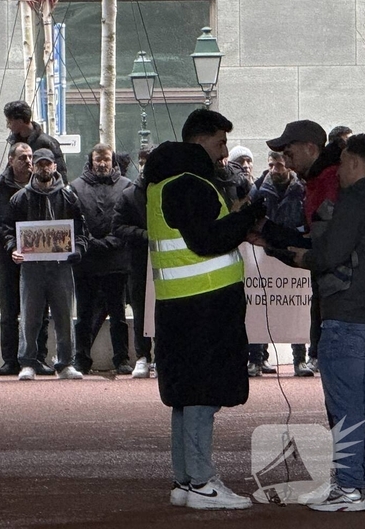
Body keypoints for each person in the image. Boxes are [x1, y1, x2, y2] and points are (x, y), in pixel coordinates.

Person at [145, 109, 264, 510]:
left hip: (180, 304)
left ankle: (185, 481)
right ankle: (201, 481)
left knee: (185, 394)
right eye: (220, 142)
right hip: (204, 306)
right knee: (200, 392)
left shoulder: (164, 181)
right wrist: (247, 216)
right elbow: (207, 240)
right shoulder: (189, 182)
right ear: (199, 141)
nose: (225, 151)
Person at [285, 134, 365, 512]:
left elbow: (331, 253)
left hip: (344, 315)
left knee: (346, 408)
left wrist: (304, 256)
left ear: (353, 163)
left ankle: (347, 487)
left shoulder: (354, 201)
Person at [263, 120, 342, 373]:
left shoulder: (328, 181)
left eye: (289, 153)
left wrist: (270, 236)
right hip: (335, 295)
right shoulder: (318, 180)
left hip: (340, 300)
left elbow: (325, 246)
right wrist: (269, 238)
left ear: (310, 148)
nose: (286, 161)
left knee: (347, 396)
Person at [6, 148, 87, 381]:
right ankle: (28, 362)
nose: (44, 168)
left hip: (61, 265)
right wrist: (13, 248)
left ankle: (65, 363)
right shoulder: (20, 198)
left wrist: (78, 250)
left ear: (54, 166)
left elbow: (81, 232)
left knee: (64, 315)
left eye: (47, 164)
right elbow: (9, 230)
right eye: (40, 164)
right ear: (35, 167)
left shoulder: (69, 197)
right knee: (30, 316)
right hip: (31, 266)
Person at [0, 143, 51, 376]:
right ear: (11, 160)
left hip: (39, 255)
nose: (28, 161)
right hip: (9, 255)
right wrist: (2, 234)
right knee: (9, 309)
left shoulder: (40, 183)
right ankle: (10, 360)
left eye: (30, 157)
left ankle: (38, 357)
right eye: (22, 157)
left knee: (40, 308)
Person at [248, 151, 314, 377]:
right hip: (265, 253)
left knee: (297, 309)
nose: (276, 170)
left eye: (280, 165)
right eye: (272, 165)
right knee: (260, 306)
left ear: (288, 166)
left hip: (293, 252)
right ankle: (255, 359)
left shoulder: (301, 189)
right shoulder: (258, 189)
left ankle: (300, 360)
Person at [70, 143, 132, 375]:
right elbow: (74, 222)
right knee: (83, 315)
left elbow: (128, 220)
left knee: (118, 315)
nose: (103, 163)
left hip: (117, 262)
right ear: (91, 161)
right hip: (86, 262)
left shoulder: (126, 187)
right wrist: (90, 243)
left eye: (106, 159)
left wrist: (109, 242)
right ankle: (81, 359)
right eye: (98, 159)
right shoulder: (75, 187)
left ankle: (122, 359)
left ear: (113, 161)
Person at [112, 148, 153, 379]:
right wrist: (142, 234)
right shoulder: (129, 194)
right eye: (142, 162)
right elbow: (117, 226)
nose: (146, 166)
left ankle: (162, 356)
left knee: (164, 311)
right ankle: (143, 356)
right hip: (137, 262)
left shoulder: (170, 192)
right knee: (140, 310)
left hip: (168, 263)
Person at [3, 100, 68, 181]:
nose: (7, 126)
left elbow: (61, 175)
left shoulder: (47, 143)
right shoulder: (14, 142)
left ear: (20, 121)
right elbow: (10, 170)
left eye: (9, 122)